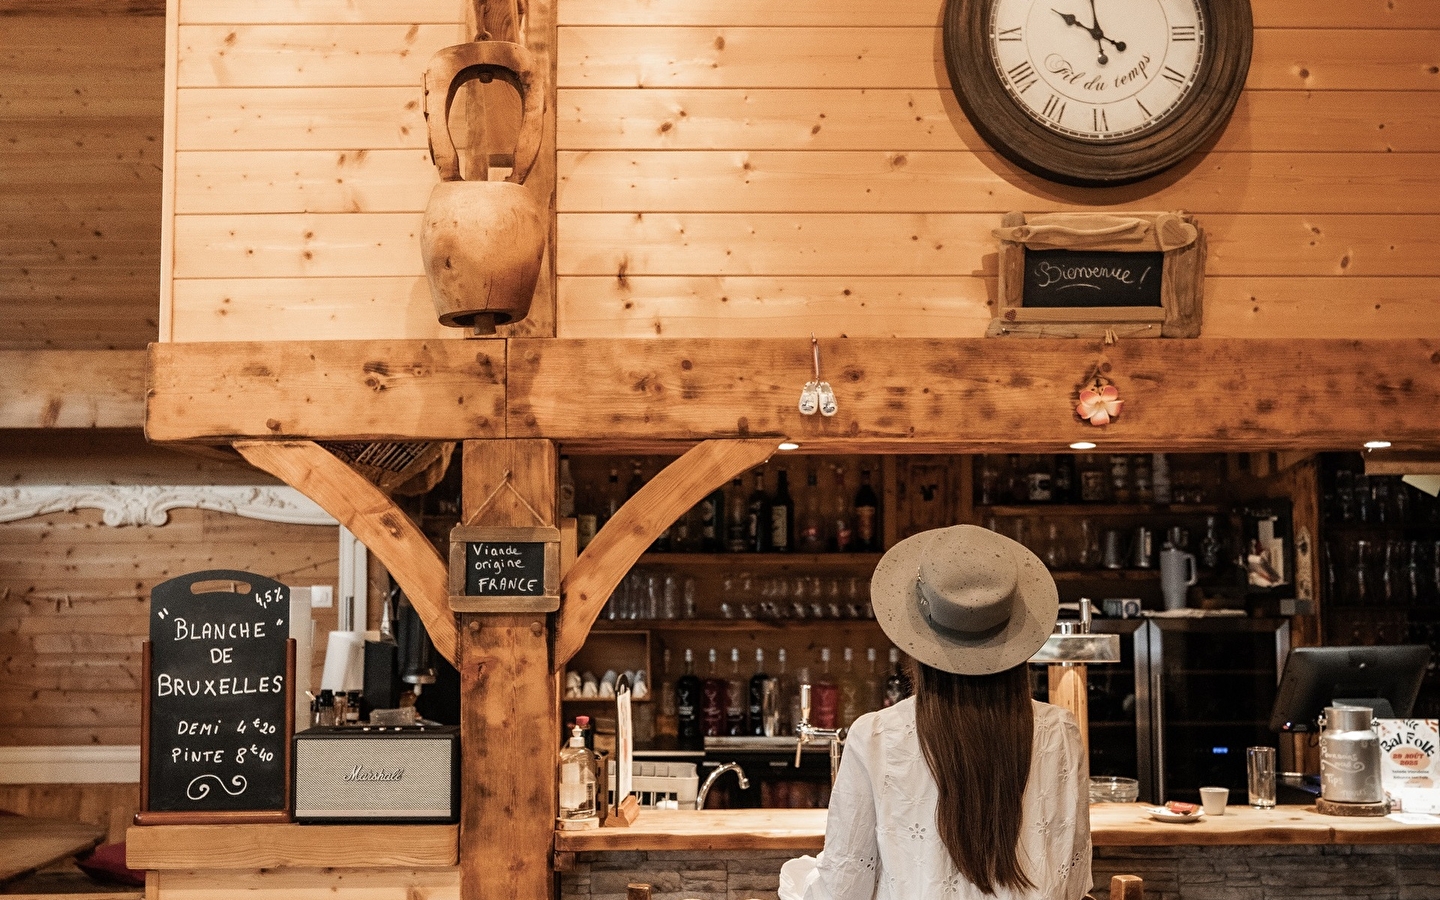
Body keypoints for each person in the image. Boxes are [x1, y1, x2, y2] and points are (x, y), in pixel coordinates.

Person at [798, 524, 1090, 900]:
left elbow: (841, 889)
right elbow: (1075, 880)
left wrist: (794, 879)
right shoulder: (1060, 732)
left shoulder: (875, 736)